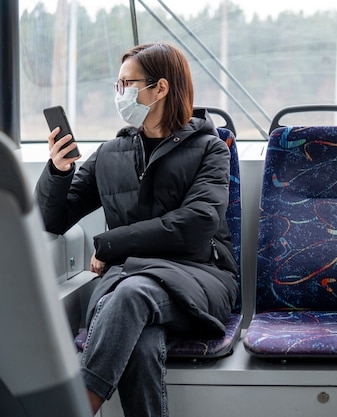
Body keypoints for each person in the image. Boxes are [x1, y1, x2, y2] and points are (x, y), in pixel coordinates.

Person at [35, 42, 238, 417]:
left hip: (199, 276)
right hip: (126, 283)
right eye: (117, 85)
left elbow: (198, 224)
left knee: (131, 294)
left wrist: (111, 244)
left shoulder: (211, 149)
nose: (120, 93)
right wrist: (58, 172)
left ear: (160, 88)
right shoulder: (110, 153)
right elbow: (51, 219)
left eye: (128, 83)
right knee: (140, 341)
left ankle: (79, 406)